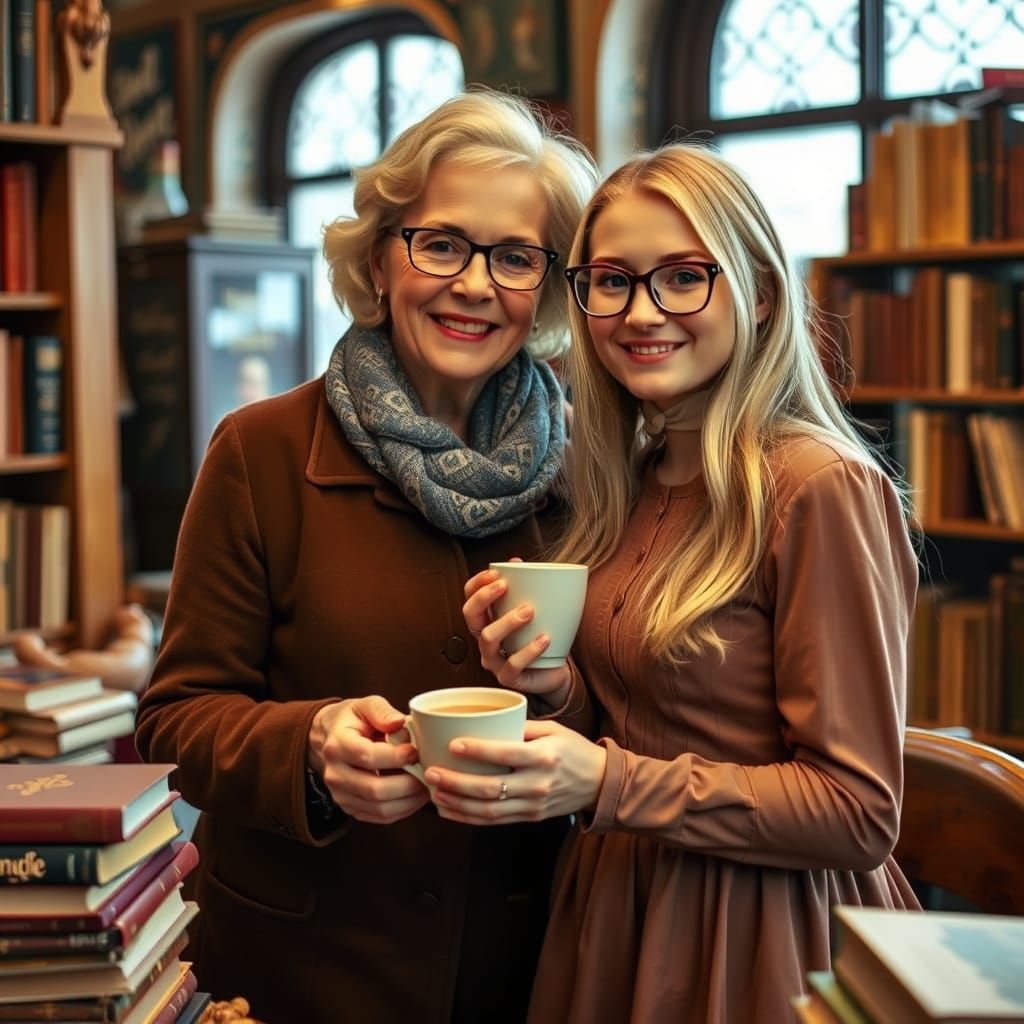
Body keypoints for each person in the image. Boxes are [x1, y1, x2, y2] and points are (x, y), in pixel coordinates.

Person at [426, 143, 921, 1023]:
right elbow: (638, 728)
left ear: (759, 293)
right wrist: (554, 686)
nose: (641, 312)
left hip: (758, 932)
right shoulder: (632, 475)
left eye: (684, 277)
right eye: (611, 281)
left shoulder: (817, 486)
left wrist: (603, 782)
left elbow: (856, 812)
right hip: (615, 905)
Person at [134, 89, 597, 1024]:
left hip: (523, 970)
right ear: (380, 260)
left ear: (547, 288)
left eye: (514, 257)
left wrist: (563, 698)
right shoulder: (259, 451)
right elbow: (174, 723)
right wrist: (307, 746)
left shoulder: (592, 469)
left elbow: (625, 727)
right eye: (442, 244)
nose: (475, 285)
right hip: (298, 971)